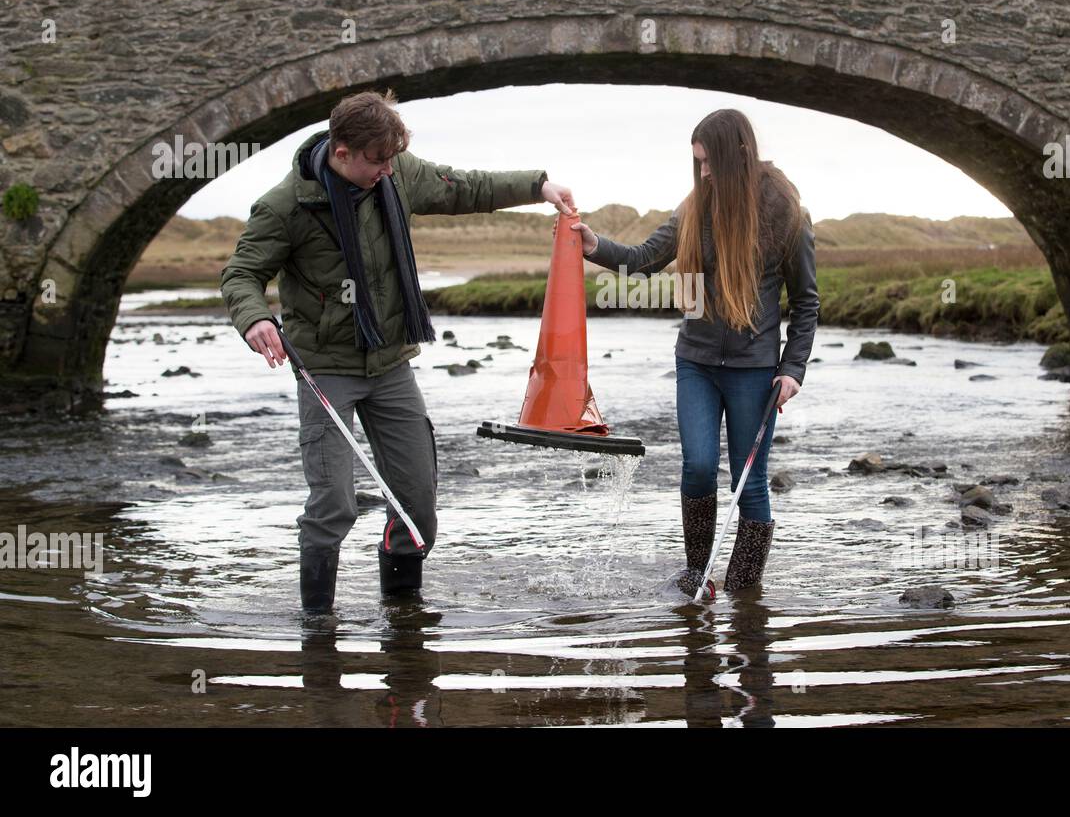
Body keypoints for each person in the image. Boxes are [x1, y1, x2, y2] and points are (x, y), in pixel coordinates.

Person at [220, 89, 576, 612]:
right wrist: (254, 319)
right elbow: (241, 274)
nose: (388, 171)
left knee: (418, 508)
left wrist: (538, 185)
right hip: (326, 372)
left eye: (392, 160)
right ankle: (317, 633)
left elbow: (465, 187)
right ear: (342, 153)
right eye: (377, 161)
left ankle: (403, 623)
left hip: (390, 365)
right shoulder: (284, 206)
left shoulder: (398, 172)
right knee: (333, 505)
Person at [570, 109, 818, 596]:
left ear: (737, 154)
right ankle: (696, 575)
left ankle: (745, 592)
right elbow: (643, 259)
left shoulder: (786, 209)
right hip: (697, 363)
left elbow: (806, 300)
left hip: (756, 369)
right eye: (697, 163)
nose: (703, 173)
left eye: (709, 162)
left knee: (751, 480)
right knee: (699, 465)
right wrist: (593, 243)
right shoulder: (695, 207)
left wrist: (793, 369)